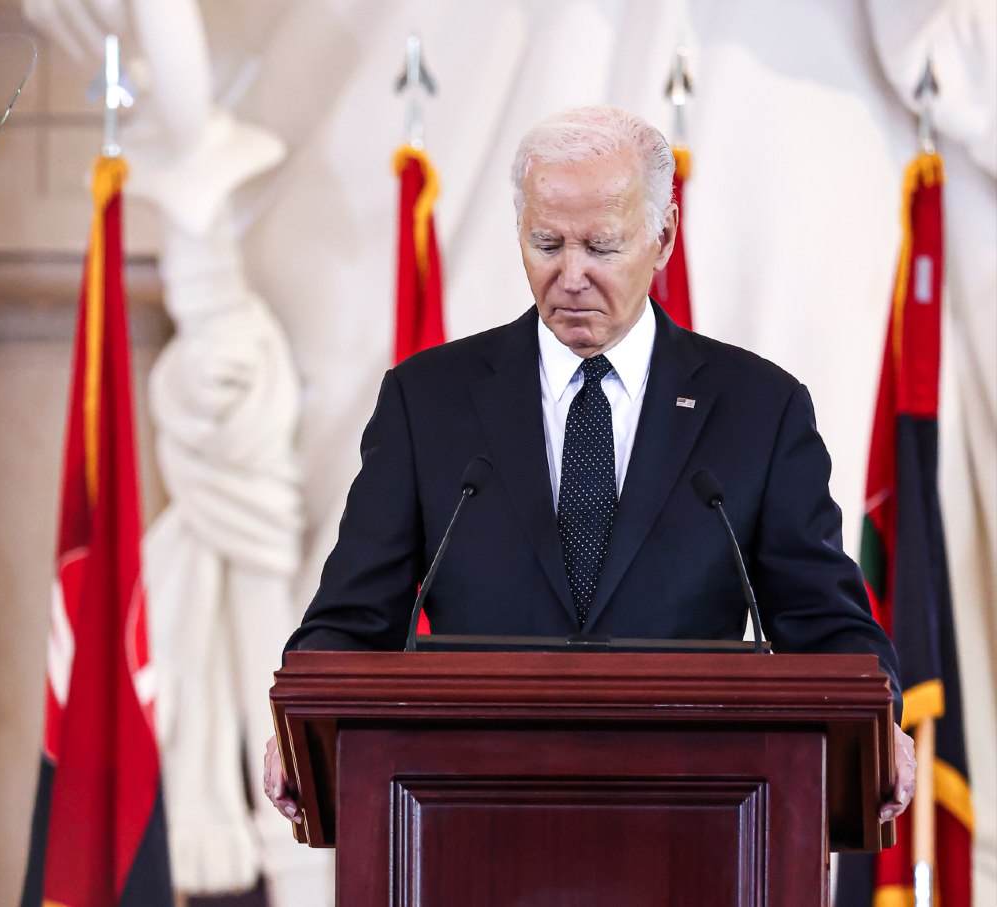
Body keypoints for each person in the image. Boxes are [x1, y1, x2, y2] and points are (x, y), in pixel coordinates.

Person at [262, 105, 915, 827]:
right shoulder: (428, 402)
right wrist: (302, 722)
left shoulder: (759, 411)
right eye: (547, 242)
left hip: (698, 820)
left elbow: (825, 623)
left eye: (601, 246)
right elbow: (351, 621)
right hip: (470, 820)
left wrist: (880, 719)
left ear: (662, 236)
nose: (570, 275)